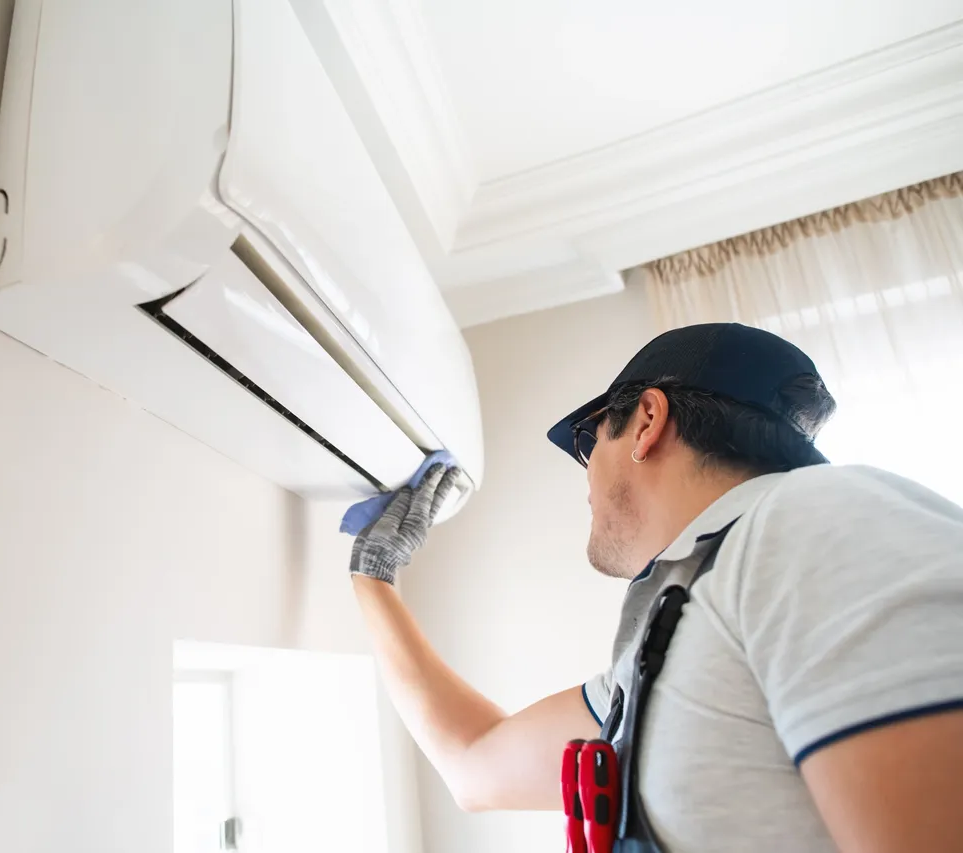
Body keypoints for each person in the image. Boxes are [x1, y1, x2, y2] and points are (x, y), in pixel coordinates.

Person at [348, 322, 963, 853]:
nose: (586, 476)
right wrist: (375, 577)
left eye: (589, 442)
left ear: (646, 420)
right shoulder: (670, 630)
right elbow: (475, 765)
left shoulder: (817, 520)